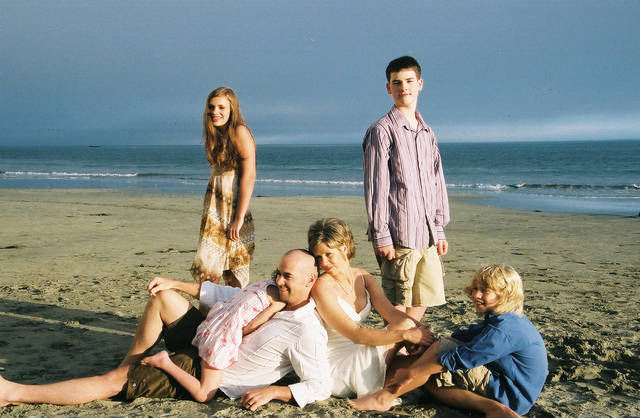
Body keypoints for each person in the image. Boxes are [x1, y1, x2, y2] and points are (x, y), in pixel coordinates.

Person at [0, 250, 330, 411]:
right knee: (164, 298)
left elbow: (320, 385)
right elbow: (226, 296)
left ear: (310, 280)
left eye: (288, 277)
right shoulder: (271, 291)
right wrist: (174, 283)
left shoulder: (307, 330)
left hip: (207, 369)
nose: (279, 280)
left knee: (112, 382)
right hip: (209, 337)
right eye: (279, 272)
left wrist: (274, 392)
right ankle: (128, 366)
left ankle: (13, 393)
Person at [348, 264, 548, 417]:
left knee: (429, 368)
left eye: (484, 290)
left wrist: (413, 372)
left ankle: (386, 397)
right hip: (508, 383)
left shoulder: (504, 331)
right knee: (433, 358)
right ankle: (393, 387)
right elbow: (467, 335)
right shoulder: (506, 318)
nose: (475, 295)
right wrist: (428, 345)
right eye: (475, 288)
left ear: (505, 294)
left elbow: (462, 358)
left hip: (511, 393)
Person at [363, 56, 450, 322]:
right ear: (388, 87)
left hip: (427, 236)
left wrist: (439, 229)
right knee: (396, 309)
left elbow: (437, 182)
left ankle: (405, 346)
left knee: (423, 299)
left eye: (409, 81)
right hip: (399, 235)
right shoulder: (381, 130)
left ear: (420, 84)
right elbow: (376, 187)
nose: (404, 88)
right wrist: (381, 236)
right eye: (397, 82)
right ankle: (393, 348)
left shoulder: (427, 132)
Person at [308, 218, 434, 399]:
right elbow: (355, 335)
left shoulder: (362, 276)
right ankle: (376, 393)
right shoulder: (321, 286)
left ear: (344, 247)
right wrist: (406, 335)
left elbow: (391, 313)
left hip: (361, 352)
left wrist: (421, 330)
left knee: (422, 367)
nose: (323, 263)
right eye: (318, 257)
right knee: (405, 328)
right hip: (339, 365)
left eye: (328, 254)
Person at [139, 280, 286, 402]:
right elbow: (250, 327)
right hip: (220, 343)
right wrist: (274, 309)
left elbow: (224, 295)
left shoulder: (262, 284)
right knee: (204, 394)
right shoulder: (277, 301)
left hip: (210, 327)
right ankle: (164, 362)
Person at [191, 87, 256, 288]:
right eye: (211, 107)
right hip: (214, 207)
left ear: (232, 109)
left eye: (221, 107)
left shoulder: (239, 132)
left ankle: (232, 308)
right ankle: (211, 308)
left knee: (233, 272)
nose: (215, 112)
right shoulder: (216, 135)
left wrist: (238, 218)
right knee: (209, 269)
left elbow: (249, 176)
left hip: (233, 208)